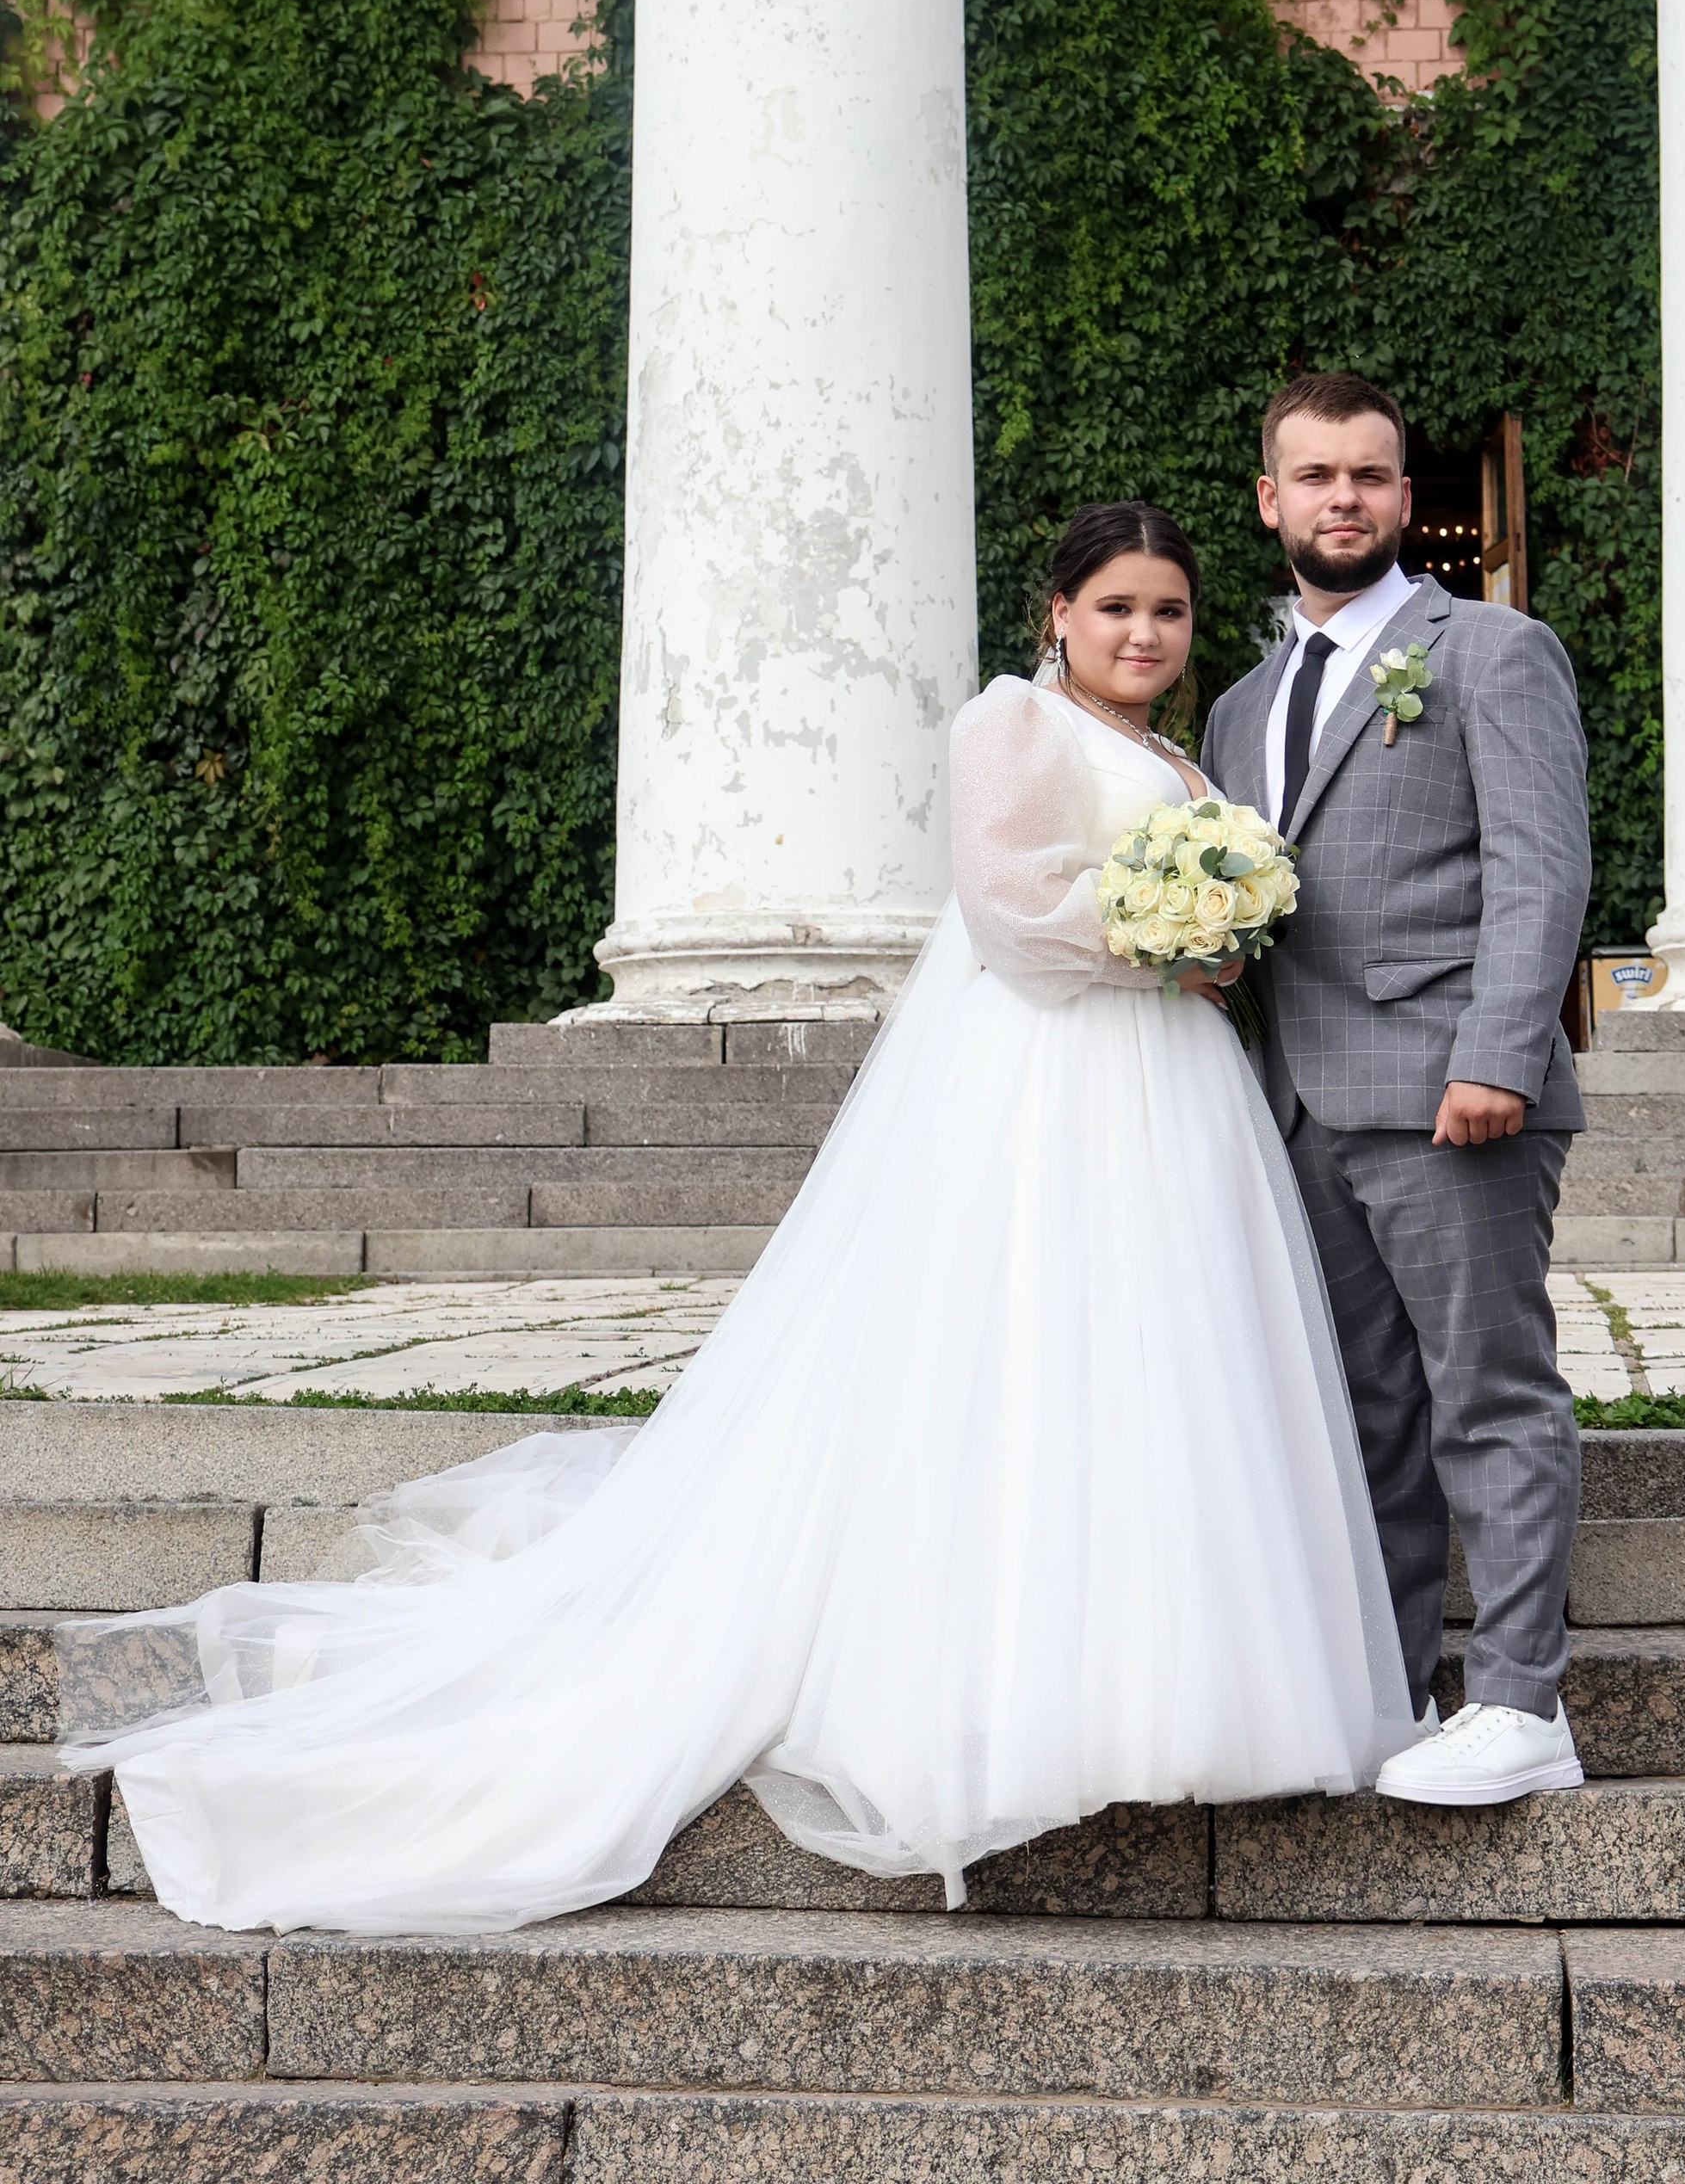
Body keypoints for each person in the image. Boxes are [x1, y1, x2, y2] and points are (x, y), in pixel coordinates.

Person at [59, 501, 1417, 1934]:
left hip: (1172, 1093)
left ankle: (1177, 1676)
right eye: (1117, 608)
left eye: (1170, 613)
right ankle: (1010, 1694)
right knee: (1031, 1342)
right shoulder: (1009, 724)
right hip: (1051, 1086)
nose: (1144, 635)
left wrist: (1216, 940)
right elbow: (1014, 911)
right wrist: (1167, 943)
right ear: (1057, 616)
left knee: (1163, 1361)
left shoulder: (1168, 756)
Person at [1202, 374, 1594, 1806]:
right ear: (1272, 499)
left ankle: (1520, 1703)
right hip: (1305, 1107)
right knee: (1366, 1408)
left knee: (1486, 1391)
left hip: (1452, 1096)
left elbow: (1541, 865)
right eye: (1316, 477)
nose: (1345, 499)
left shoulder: (1489, 649)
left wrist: (1498, 1053)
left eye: (1371, 475)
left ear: (1403, 495)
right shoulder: (1243, 707)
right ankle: (1390, 1685)